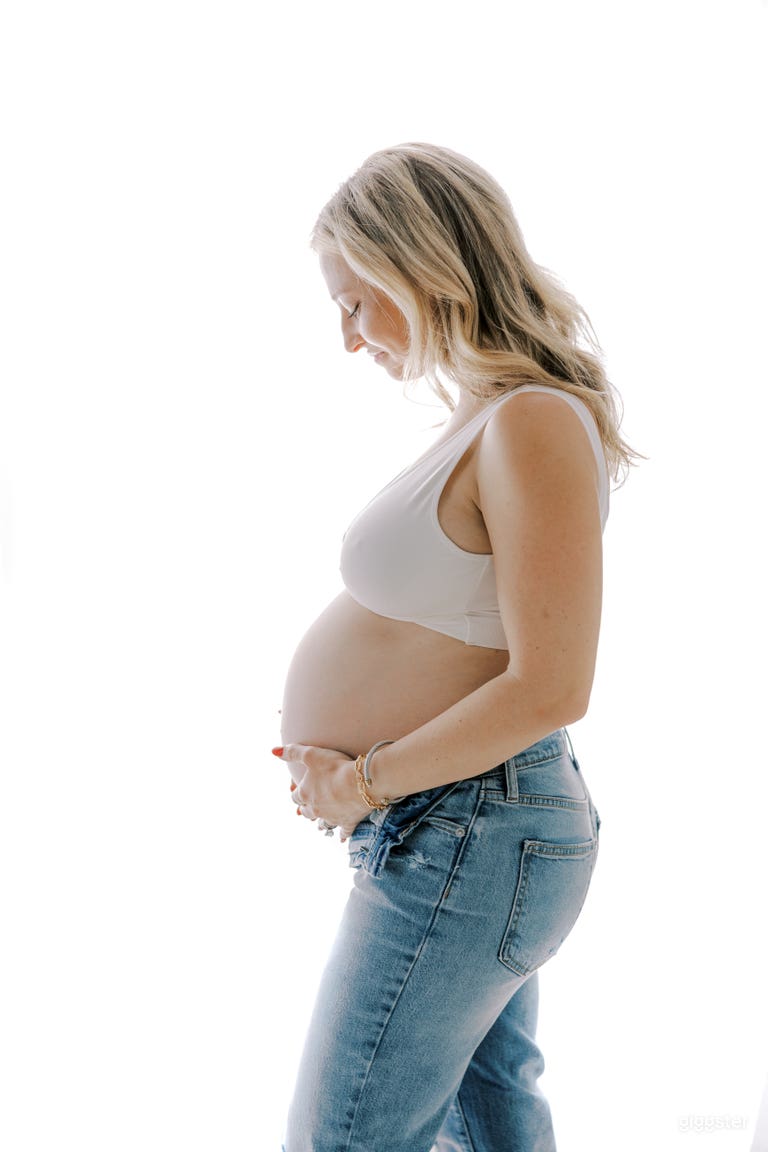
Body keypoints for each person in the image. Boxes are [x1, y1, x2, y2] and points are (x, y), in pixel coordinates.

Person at [272, 143, 635, 1152]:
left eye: (355, 303)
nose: (349, 339)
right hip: (468, 826)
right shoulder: (489, 418)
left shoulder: (531, 423)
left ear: (419, 268)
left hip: (473, 825)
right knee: (489, 1127)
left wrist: (366, 780)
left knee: (343, 1138)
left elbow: (554, 685)